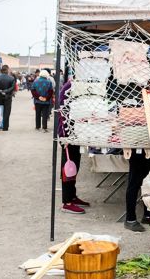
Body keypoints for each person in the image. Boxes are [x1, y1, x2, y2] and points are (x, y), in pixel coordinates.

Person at [58, 79, 90, 214]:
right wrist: (66, 136)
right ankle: (67, 202)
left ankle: (72, 196)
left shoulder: (77, 86)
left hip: (75, 133)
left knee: (75, 165)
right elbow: (63, 112)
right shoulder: (70, 87)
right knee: (68, 167)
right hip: (67, 134)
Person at [124, 151, 150, 232]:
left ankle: (147, 215)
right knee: (134, 185)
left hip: (148, 150)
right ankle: (130, 219)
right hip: (137, 150)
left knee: (148, 183)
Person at [0, 65, 16, 131]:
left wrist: (0, 91)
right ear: (7, 70)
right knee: (7, 112)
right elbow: (12, 88)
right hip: (8, 96)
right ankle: (5, 127)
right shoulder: (11, 78)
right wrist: (5, 91)